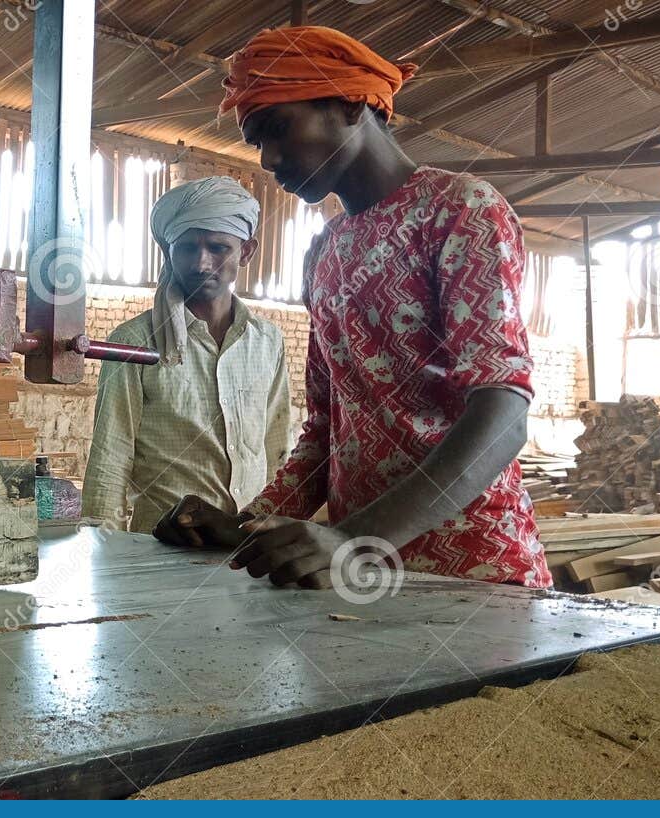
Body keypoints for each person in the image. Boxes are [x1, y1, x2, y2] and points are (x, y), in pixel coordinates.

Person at [153, 25, 550, 590]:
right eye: (257, 142)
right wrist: (246, 526)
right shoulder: (325, 250)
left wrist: (356, 537)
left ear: (350, 105)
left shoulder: (460, 211)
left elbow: (502, 412)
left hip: (474, 569)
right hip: (358, 576)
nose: (269, 158)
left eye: (278, 128)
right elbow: (326, 429)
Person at [83, 176, 290, 533]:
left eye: (218, 248)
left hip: (246, 546)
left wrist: (277, 532)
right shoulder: (134, 340)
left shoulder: (267, 342)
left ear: (247, 252)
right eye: (187, 248)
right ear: (169, 252)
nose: (201, 263)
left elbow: (276, 449)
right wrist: (102, 549)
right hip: (160, 549)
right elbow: (110, 457)